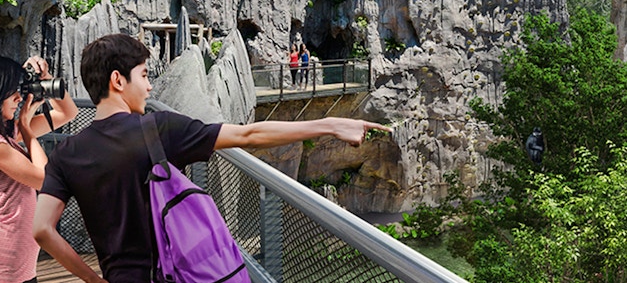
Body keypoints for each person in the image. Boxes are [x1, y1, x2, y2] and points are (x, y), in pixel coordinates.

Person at [33, 33, 390, 282]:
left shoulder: (67, 152)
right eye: (143, 76)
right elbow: (249, 134)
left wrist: (93, 279)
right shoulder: (156, 129)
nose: (150, 87)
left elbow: (42, 229)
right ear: (117, 80)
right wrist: (329, 125)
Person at [0, 52, 78, 283]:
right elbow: (45, 179)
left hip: (20, 271)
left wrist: (46, 79)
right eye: (11, 92)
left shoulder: (4, 133)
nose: (18, 98)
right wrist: (27, 128)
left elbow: (68, 113)